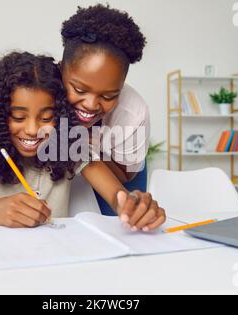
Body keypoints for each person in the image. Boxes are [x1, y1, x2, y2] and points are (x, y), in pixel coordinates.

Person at [0, 51, 165, 232]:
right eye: (18, 117)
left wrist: (133, 204)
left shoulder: (69, 143)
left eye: (46, 118)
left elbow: (118, 196)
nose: (32, 130)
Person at [60, 4, 151, 216]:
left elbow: (125, 176)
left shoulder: (133, 111)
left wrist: (86, 146)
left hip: (115, 167)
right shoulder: (41, 89)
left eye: (108, 96)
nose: (91, 105)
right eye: (80, 89)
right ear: (61, 68)